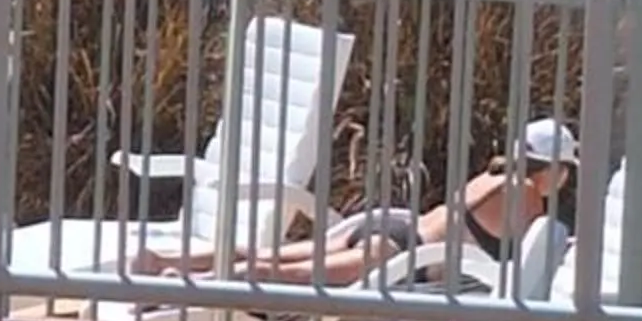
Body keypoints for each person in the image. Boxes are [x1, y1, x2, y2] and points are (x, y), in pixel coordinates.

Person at [138, 115, 577, 288]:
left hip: (393, 234)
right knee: (288, 274)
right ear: (554, 169)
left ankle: (164, 262)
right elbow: (527, 262)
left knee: (268, 253)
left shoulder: (494, 174)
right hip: (402, 255)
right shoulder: (526, 198)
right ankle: (184, 281)